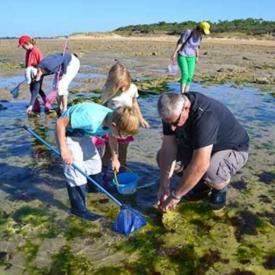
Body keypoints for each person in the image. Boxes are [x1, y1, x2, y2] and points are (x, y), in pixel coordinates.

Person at [156, 92, 249, 212]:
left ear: (186, 108)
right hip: (199, 146)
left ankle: (220, 188)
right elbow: (168, 149)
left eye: (175, 123)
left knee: (211, 172)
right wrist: (164, 185)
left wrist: (176, 195)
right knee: (161, 157)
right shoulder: (171, 110)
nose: (172, 128)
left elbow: (201, 165)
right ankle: (201, 185)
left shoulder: (205, 116)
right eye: (169, 123)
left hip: (232, 148)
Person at [56, 102, 139, 220]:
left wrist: (115, 159)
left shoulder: (112, 121)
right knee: (76, 172)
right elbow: (60, 123)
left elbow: (112, 137)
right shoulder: (91, 119)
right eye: (124, 134)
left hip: (83, 134)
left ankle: (94, 192)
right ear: (114, 125)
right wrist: (64, 149)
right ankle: (78, 209)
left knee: (95, 164)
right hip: (67, 133)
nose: (125, 138)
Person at [100, 62, 150, 179]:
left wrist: (140, 118)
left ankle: (121, 172)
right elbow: (102, 108)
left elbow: (134, 104)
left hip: (126, 124)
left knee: (123, 149)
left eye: (124, 86)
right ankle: (103, 172)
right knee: (108, 151)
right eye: (119, 86)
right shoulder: (108, 90)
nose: (122, 89)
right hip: (111, 125)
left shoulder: (132, 88)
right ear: (113, 83)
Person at [171, 21, 210, 93]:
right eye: (203, 32)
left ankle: (186, 93)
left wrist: (197, 57)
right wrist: (174, 53)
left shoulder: (200, 36)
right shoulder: (188, 32)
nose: (203, 34)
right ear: (199, 29)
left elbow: (197, 47)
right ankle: (182, 93)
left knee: (190, 76)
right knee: (185, 74)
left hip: (192, 57)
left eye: (204, 33)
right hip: (182, 55)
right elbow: (180, 43)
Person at [18, 35, 47, 113]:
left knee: (36, 89)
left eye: (23, 46)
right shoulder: (28, 51)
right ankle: (36, 105)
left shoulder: (36, 50)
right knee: (33, 89)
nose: (22, 47)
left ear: (27, 43)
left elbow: (42, 63)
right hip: (31, 74)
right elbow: (27, 63)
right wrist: (27, 75)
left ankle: (46, 104)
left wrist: (38, 74)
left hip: (38, 73)